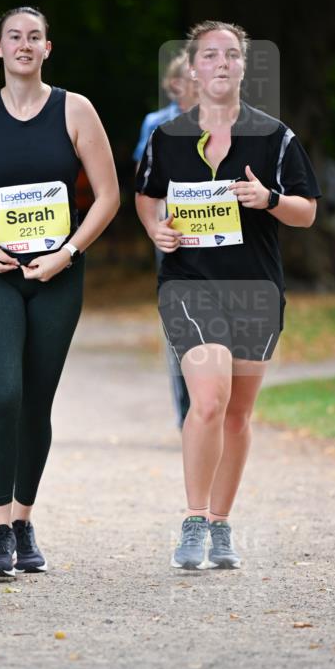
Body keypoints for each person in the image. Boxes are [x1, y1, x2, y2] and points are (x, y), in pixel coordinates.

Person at [0, 6, 119, 579]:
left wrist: (68, 253)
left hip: (58, 274)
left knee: (37, 401)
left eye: (34, 37)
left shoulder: (76, 110)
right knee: (7, 394)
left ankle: (23, 522)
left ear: (47, 48)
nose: (24, 45)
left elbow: (110, 197)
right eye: (14, 36)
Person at [135, 21, 320, 570]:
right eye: (209, 55)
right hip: (188, 283)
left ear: (244, 67)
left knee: (237, 415)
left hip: (255, 289)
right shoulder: (166, 139)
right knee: (208, 399)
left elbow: (307, 212)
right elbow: (146, 197)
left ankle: (220, 523)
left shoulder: (275, 137)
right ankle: (193, 520)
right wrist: (156, 230)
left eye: (231, 55)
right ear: (192, 69)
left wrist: (268, 198)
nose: (220, 63)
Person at [134, 51, 199, 429]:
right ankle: (186, 410)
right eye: (191, 78)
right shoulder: (156, 124)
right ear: (175, 85)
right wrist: (157, 226)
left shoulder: (221, 120)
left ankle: (212, 404)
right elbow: (146, 180)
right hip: (172, 233)